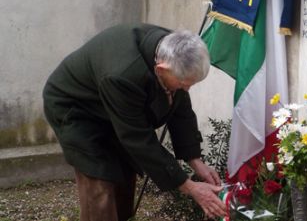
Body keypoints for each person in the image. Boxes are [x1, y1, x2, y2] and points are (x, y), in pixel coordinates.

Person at [42, 23, 227, 221]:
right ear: (161, 69)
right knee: (100, 185)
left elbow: (180, 109)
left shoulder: (174, 49)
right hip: (77, 109)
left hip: (113, 104)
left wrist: (196, 161)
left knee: (124, 174)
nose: (187, 89)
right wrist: (189, 187)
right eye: (183, 84)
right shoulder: (122, 74)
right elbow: (138, 138)